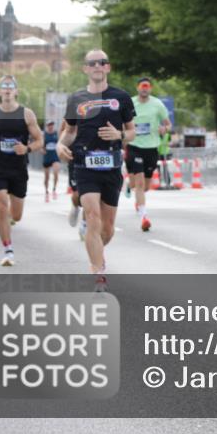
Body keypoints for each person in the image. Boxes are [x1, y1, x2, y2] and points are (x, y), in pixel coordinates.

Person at [56, 50, 136, 291]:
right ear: (86, 69)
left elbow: (132, 131)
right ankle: (98, 273)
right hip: (84, 164)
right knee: (93, 217)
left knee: (107, 228)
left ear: (108, 68)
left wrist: (120, 135)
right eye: (92, 63)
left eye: (102, 62)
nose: (97, 66)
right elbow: (69, 132)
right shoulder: (76, 98)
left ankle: (98, 256)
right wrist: (60, 145)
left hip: (111, 166)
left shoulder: (121, 97)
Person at [0, 76, 44, 266]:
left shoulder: (27, 114)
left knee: (16, 215)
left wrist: (27, 149)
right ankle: (8, 250)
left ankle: (7, 219)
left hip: (18, 169)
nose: (7, 89)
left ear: (16, 91)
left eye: (11, 86)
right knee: (0, 205)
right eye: (4, 86)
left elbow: (39, 140)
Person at [125, 77, 171, 231]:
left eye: (147, 87)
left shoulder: (157, 104)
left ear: (150, 89)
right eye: (142, 86)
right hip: (134, 146)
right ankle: (144, 216)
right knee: (138, 184)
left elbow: (167, 123)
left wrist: (165, 129)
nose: (144, 89)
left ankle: (131, 189)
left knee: (145, 186)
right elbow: (123, 122)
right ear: (137, 88)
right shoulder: (130, 103)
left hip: (152, 148)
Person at [42, 120, 61, 201]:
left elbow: (60, 143)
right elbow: (40, 144)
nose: (51, 126)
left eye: (52, 125)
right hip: (47, 157)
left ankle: (54, 190)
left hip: (55, 157)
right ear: (47, 126)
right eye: (49, 125)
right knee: (47, 177)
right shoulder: (44, 134)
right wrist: (41, 150)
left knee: (56, 173)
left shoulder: (56, 134)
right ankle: (46, 192)